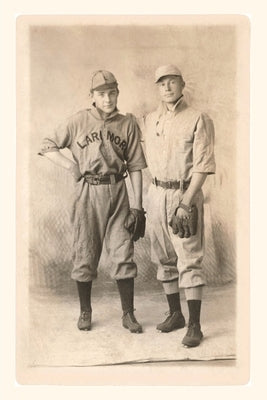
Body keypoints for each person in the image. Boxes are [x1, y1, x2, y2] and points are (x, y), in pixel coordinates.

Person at [39, 70, 147, 333]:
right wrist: (70, 166)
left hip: (118, 190)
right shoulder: (78, 121)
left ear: (118, 93)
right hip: (89, 192)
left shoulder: (127, 123)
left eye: (112, 93)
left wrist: (138, 206)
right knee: (86, 252)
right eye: (101, 94)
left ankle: (128, 314)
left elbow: (135, 166)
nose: (107, 99)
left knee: (123, 253)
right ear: (92, 96)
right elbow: (47, 144)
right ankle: (85, 311)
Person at [143, 64, 216, 347]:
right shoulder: (149, 120)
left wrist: (186, 203)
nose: (168, 87)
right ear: (158, 88)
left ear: (182, 84)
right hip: (156, 193)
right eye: (162, 83)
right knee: (163, 256)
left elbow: (203, 165)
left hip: (184, 195)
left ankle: (195, 324)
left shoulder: (197, 118)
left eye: (172, 82)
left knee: (189, 257)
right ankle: (175, 314)